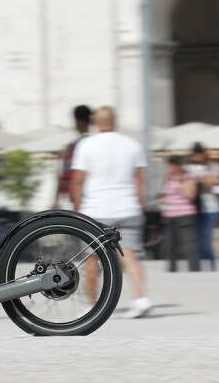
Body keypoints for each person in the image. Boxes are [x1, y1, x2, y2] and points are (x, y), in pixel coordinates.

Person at [70, 106, 153, 319]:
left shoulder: (85, 145)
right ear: (115, 121)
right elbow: (140, 181)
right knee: (130, 254)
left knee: (91, 258)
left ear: (96, 122)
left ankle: (92, 305)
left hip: (96, 210)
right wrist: (143, 206)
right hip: (128, 208)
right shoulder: (133, 145)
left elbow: (77, 181)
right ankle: (141, 298)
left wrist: (78, 209)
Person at [159, 156, 199, 273]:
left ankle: (194, 269)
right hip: (170, 215)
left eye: (173, 165)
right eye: (170, 166)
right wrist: (163, 199)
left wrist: (179, 182)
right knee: (170, 245)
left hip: (185, 214)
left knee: (189, 245)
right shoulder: (167, 178)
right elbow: (164, 195)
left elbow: (190, 195)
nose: (170, 168)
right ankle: (172, 270)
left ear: (179, 166)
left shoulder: (188, 177)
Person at [186, 143, 219, 271]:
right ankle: (199, 268)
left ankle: (213, 265)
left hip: (211, 209)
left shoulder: (213, 167)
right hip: (195, 209)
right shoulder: (189, 168)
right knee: (197, 241)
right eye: (194, 155)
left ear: (204, 154)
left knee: (206, 241)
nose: (196, 158)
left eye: (199, 154)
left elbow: (213, 183)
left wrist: (201, 175)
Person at [57, 105, 93, 209]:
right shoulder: (98, 144)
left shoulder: (72, 147)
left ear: (76, 121)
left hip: (75, 201)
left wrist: (56, 199)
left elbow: (64, 177)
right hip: (94, 199)